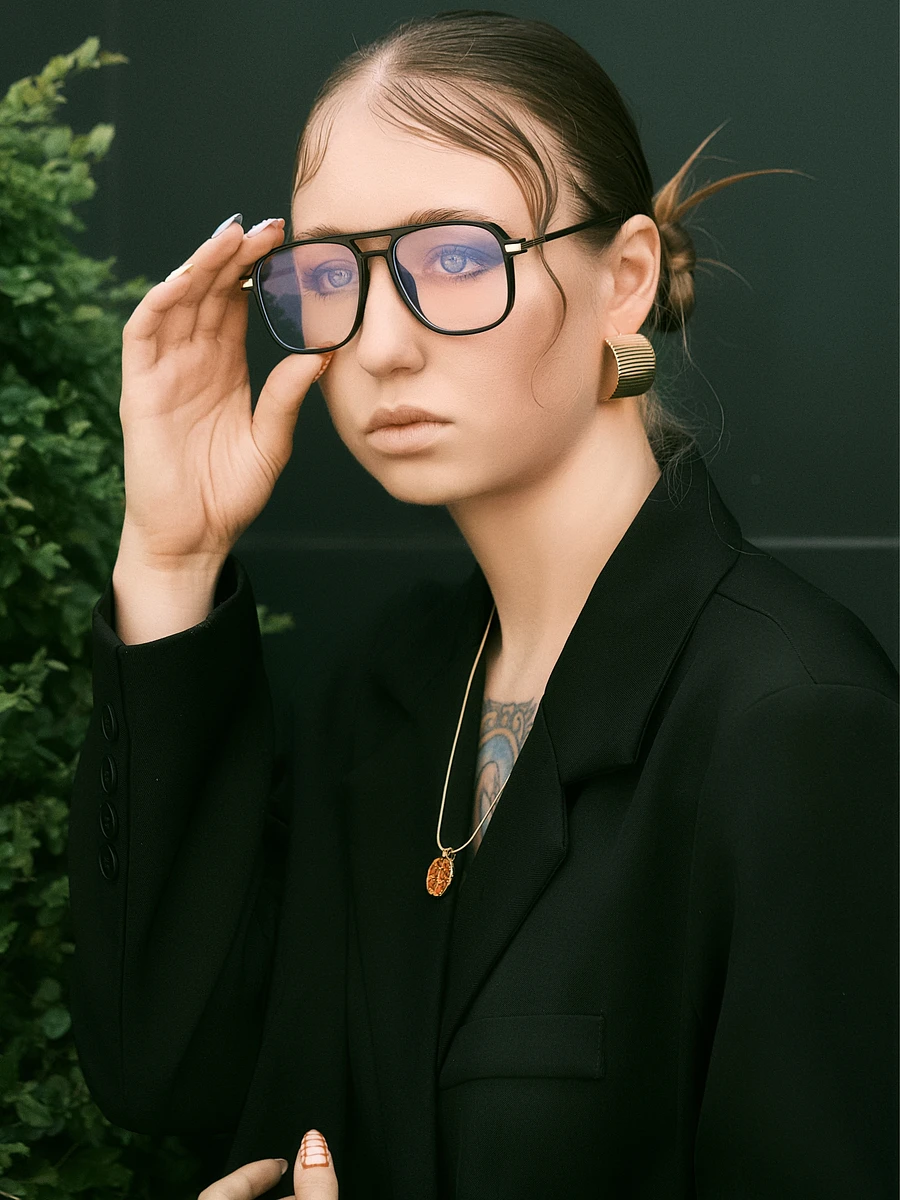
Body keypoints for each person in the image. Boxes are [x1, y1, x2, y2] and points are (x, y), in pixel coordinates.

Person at [65, 11, 898, 1200]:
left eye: (456, 257)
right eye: (332, 274)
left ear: (624, 281)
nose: (380, 346)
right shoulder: (389, 687)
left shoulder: (795, 721)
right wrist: (170, 557)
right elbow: (164, 1070)